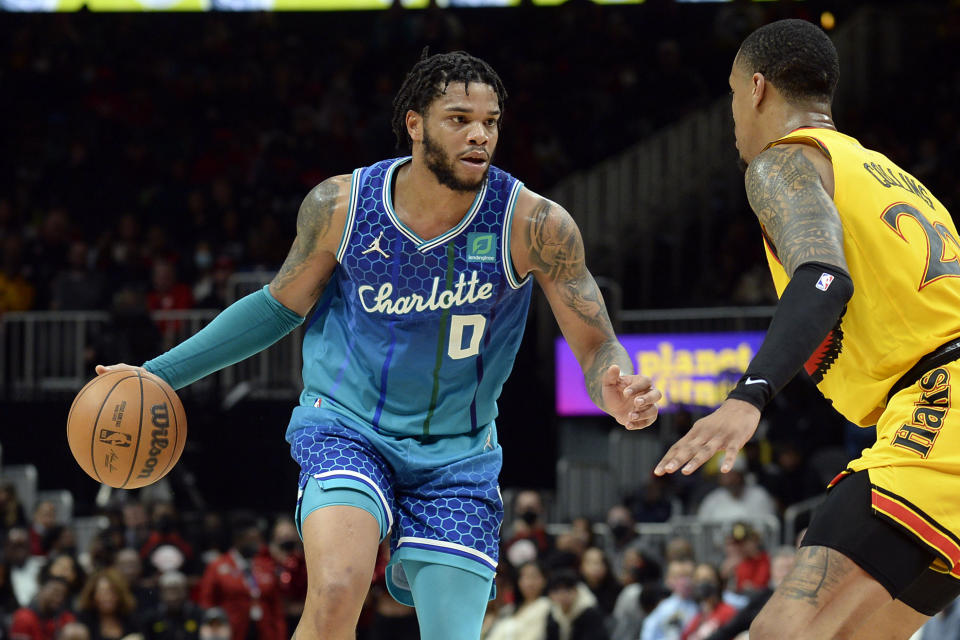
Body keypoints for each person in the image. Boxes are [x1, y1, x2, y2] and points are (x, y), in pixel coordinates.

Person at [95, 50, 661, 640]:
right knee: (338, 589)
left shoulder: (534, 224)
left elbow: (598, 347)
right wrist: (157, 374)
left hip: (458, 453)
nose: (479, 135)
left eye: (491, 122)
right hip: (348, 427)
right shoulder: (342, 206)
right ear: (414, 124)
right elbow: (276, 307)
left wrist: (614, 388)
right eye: (459, 118)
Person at [653, 17, 960, 640]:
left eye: (734, 95)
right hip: (932, 413)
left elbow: (823, 276)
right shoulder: (891, 175)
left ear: (758, 88)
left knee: (782, 633)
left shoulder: (782, 161)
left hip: (942, 411)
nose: (734, 114)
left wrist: (749, 395)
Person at [196, 517, 285, 640]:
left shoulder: (266, 566)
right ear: (238, 540)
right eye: (252, 540)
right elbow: (206, 603)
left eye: (258, 540)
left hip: (265, 632)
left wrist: (280, 635)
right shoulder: (217, 566)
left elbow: (276, 607)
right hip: (232, 631)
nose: (258, 545)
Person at [74, 569, 138, 640]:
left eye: (112, 592)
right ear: (93, 596)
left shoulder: (130, 618)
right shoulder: (84, 620)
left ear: (120, 595)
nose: (107, 597)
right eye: (102, 592)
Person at [140, 571, 204, 640]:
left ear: (185, 591)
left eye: (177, 590)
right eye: (168, 591)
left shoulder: (197, 614)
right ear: (161, 592)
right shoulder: (151, 617)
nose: (173, 597)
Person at [10, 575, 75, 640]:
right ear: (41, 589)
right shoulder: (23, 617)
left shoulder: (65, 618)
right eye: (56, 592)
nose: (59, 598)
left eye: (63, 595)